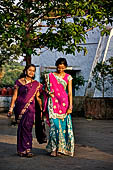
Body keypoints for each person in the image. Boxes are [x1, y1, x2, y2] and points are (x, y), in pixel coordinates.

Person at [7, 64, 43, 158]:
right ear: (25, 71)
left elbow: (38, 98)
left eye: (33, 71)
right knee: (21, 128)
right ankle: (21, 150)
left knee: (28, 128)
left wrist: (42, 109)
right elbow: (15, 96)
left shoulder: (36, 84)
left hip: (31, 109)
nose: (31, 72)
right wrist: (11, 108)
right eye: (30, 70)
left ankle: (28, 149)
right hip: (20, 108)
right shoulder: (18, 82)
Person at [44, 58, 74, 157]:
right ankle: (53, 148)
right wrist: (48, 92)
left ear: (65, 67)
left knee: (63, 127)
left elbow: (69, 93)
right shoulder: (50, 76)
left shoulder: (68, 77)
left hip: (64, 105)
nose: (60, 69)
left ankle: (61, 148)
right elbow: (45, 89)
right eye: (58, 67)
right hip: (52, 103)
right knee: (54, 127)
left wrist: (70, 106)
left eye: (62, 68)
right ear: (56, 66)